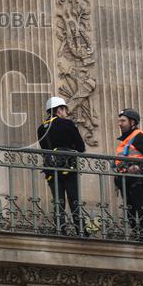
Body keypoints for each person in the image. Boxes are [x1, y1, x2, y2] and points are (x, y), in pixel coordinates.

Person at [37, 96, 86, 236]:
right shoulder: (67, 124)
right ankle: (80, 229)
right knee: (74, 199)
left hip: (51, 168)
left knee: (58, 201)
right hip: (67, 166)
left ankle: (60, 228)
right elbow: (81, 147)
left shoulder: (41, 128)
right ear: (59, 110)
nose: (66, 113)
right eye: (65, 109)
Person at [113, 108, 143, 242]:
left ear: (132, 122)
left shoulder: (139, 137)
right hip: (125, 182)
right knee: (130, 214)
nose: (120, 123)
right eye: (119, 121)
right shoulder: (125, 141)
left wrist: (140, 167)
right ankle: (141, 236)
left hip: (138, 181)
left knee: (142, 211)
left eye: (123, 121)